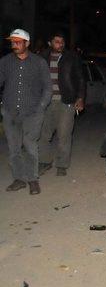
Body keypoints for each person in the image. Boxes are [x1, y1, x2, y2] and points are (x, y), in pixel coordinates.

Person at [0, 29, 52, 195]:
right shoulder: (5, 62)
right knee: (14, 148)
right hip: (10, 112)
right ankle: (19, 179)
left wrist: (41, 108)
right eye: (12, 42)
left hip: (32, 113)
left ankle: (32, 180)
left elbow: (48, 88)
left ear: (27, 43)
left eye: (18, 42)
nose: (14, 45)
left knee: (30, 146)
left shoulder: (39, 62)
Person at [38, 32, 85, 177]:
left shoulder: (71, 57)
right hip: (45, 103)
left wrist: (80, 97)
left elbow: (80, 78)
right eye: (57, 41)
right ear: (50, 43)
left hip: (66, 102)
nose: (60, 44)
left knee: (64, 135)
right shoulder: (41, 57)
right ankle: (44, 162)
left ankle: (62, 165)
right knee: (43, 135)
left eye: (62, 41)